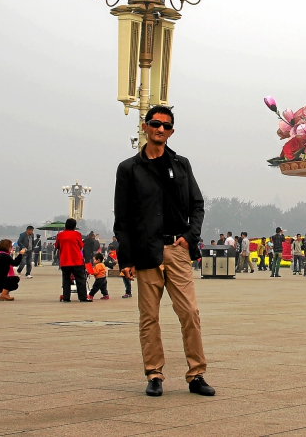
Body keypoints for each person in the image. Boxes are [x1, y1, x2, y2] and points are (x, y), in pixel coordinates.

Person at [113, 105, 213, 398]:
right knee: (149, 317)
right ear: (145, 127)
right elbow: (122, 218)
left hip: (177, 249)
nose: (160, 129)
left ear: (171, 131)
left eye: (166, 126)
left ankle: (196, 374)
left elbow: (197, 204)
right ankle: (154, 373)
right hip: (147, 252)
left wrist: (190, 237)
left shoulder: (181, 165)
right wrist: (126, 258)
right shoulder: (129, 169)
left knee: (190, 312)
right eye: (155, 124)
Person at [55, 218, 88, 302]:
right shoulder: (77, 234)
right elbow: (81, 246)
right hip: (77, 261)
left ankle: (66, 297)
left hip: (65, 261)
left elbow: (57, 246)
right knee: (80, 280)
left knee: (66, 280)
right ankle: (82, 297)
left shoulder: (60, 235)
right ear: (74, 226)